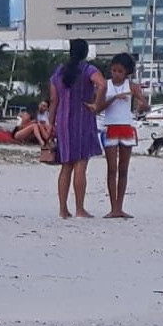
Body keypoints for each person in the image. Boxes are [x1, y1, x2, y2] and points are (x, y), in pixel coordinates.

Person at [48, 39, 106, 219]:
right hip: (82, 120)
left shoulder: (58, 72)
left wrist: (51, 123)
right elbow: (103, 84)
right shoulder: (89, 70)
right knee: (81, 164)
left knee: (66, 165)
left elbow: (54, 101)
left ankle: (63, 209)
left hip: (63, 121)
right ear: (85, 52)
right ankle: (80, 208)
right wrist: (96, 104)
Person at [91, 53, 148, 219]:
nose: (116, 74)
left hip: (126, 128)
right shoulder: (105, 86)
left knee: (123, 169)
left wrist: (142, 106)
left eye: (120, 71)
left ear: (127, 72)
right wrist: (114, 98)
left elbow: (144, 105)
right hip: (110, 128)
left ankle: (120, 207)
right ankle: (113, 207)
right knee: (112, 169)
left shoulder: (132, 87)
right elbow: (98, 108)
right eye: (114, 70)